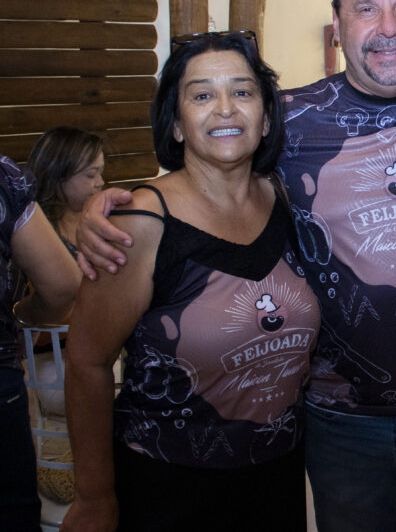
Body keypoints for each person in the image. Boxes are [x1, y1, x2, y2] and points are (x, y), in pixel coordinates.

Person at [76, 0, 396, 532]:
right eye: (366, 8)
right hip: (338, 421)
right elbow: (210, 166)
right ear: (338, 23)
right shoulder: (289, 120)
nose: (388, 27)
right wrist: (110, 203)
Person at [62, 31, 320, 531]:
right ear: (177, 124)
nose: (225, 108)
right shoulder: (140, 224)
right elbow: (87, 363)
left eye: (242, 91)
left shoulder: (288, 200)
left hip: (278, 475)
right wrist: (93, 495)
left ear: (266, 117)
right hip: (168, 485)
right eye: (202, 95)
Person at [0, 154, 80, 531]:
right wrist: (21, 316)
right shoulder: (5, 179)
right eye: (90, 173)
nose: (99, 182)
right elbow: (62, 286)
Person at [25, 126, 105, 256]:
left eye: (101, 172)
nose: (100, 182)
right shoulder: (35, 229)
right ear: (58, 175)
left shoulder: (103, 218)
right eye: (90, 175)